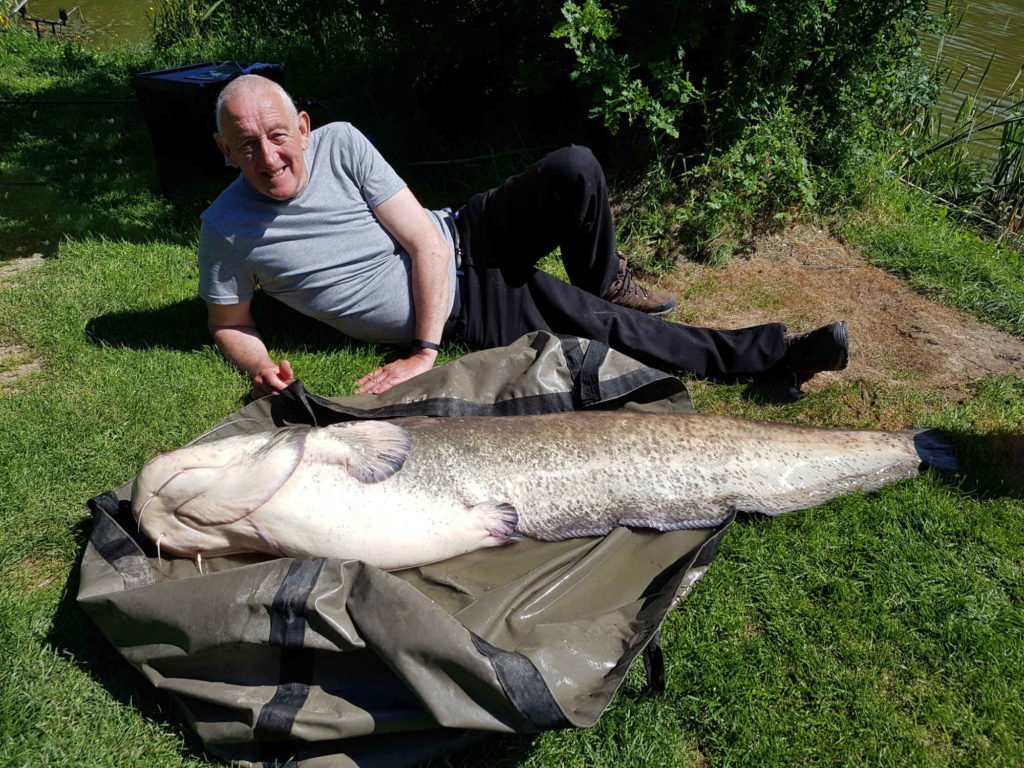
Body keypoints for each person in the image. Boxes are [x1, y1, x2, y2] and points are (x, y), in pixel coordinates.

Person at [199, 74, 848, 398]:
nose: (269, 155)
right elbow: (230, 321)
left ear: (304, 127)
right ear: (226, 151)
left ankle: (603, 282)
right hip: (463, 298)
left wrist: (423, 353)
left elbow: (425, 241)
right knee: (603, 328)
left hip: (460, 235)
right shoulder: (226, 230)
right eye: (247, 144)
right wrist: (261, 368)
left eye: (278, 135)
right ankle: (773, 360)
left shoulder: (341, 143)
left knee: (576, 167)